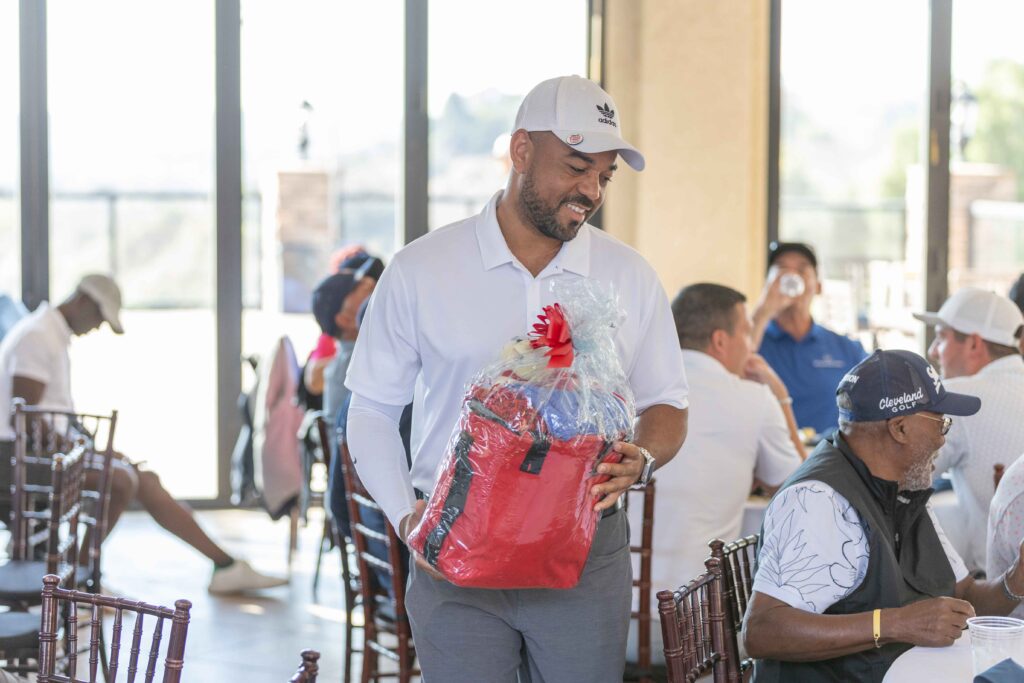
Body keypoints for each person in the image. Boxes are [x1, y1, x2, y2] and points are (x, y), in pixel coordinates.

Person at [345, 75, 689, 682]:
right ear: (521, 150)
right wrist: (407, 519)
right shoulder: (422, 268)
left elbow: (667, 403)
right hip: (454, 544)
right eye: (577, 167)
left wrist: (645, 456)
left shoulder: (628, 276)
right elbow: (371, 409)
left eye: (604, 176)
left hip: (583, 548)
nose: (591, 191)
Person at [743, 349, 1024, 682]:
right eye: (941, 423)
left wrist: (1017, 577)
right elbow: (762, 631)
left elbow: (964, 598)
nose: (942, 440)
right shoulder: (820, 500)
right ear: (899, 428)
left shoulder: (904, 488)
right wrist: (896, 623)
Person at [0, 274, 287, 595]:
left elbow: (47, 418)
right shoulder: (38, 336)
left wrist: (92, 452)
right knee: (121, 480)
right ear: (82, 301)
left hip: (41, 455)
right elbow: (26, 419)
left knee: (142, 478)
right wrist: (87, 454)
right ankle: (78, 579)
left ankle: (225, 565)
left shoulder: (49, 333)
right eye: (99, 318)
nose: (97, 327)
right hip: (16, 462)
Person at [635, 283, 803, 663]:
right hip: (695, 632)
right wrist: (780, 395)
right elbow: (801, 489)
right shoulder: (753, 398)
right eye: (747, 332)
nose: (751, 346)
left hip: (612, 625)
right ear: (720, 340)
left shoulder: (630, 387)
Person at [913, 286, 1024, 572]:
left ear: (974, 344)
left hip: (1000, 590)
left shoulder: (956, 398)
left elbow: (898, 482)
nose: (933, 351)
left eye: (941, 337)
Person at [752, 241, 867, 436]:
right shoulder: (753, 341)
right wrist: (763, 311)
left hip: (828, 452)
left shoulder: (846, 349)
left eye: (801, 270)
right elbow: (730, 377)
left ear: (818, 286)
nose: (792, 277)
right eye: (781, 270)